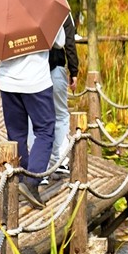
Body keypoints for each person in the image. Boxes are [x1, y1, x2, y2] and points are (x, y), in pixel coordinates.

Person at [0, 43, 55, 208]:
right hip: (37, 80)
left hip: (8, 81)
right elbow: (59, 42)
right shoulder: (43, 16)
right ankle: (31, 182)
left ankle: (19, 181)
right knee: (45, 132)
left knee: (16, 135)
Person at [46, 14, 80, 177]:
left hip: (35, 70)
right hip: (56, 66)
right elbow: (69, 42)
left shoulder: (28, 7)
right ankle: (60, 160)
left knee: (36, 116)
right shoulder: (61, 10)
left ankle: (39, 165)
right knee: (60, 115)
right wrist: (74, 70)